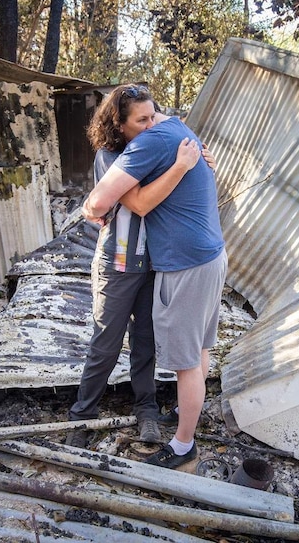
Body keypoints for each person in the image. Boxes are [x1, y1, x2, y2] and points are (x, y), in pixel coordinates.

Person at [81, 87, 226, 469]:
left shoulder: (157, 142)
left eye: (153, 116)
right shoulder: (111, 155)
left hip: (158, 262)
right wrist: (181, 164)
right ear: (119, 124)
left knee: (156, 343)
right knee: (107, 339)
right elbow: (130, 200)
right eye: (141, 120)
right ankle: (83, 413)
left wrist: (193, 159)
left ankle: (157, 416)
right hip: (120, 260)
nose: (150, 124)